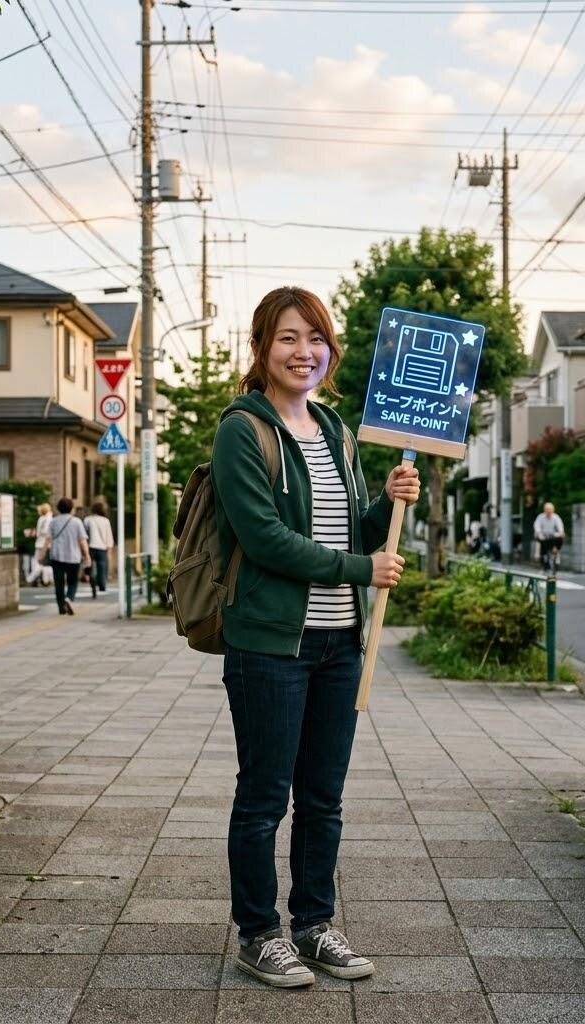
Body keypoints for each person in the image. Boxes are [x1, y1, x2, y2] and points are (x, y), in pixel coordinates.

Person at [210, 286, 419, 989]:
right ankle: (259, 934)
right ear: (263, 348)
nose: (305, 352)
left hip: (339, 643)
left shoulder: (334, 429)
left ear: (330, 350)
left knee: (323, 798)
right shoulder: (244, 428)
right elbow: (264, 538)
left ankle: (315, 925)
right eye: (288, 338)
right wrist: (364, 565)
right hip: (271, 645)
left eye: (316, 339)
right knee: (265, 796)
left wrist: (386, 504)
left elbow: (348, 529)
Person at [41, 497, 90, 615]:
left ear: (58, 508)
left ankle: (61, 607)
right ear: (72, 508)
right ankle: (69, 598)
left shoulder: (53, 521)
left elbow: (47, 540)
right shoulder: (77, 522)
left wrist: (42, 554)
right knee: (73, 581)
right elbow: (83, 541)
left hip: (57, 556)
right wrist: (87, 555)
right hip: (73, 557)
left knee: (59, 583)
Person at [83, 499, 115, 598]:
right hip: (102, 547)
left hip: (90, 547)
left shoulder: (87, 519)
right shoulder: (106, 521)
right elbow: (109, 536)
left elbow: (84, 534)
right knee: (102, 566)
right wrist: (109, 549)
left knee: (89, 565)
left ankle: (91, 581)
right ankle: (102, 584)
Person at [24, 502, 53, 586]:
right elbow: (46, 532)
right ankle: (34, 579)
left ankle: (41, 579)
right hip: (46, 544)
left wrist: (33, 532)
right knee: (42, 563)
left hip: (39, 543)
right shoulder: (49, 519)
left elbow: (39, 531)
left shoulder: (41, 518)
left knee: (38, 563)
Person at [533, 501, 565, 570]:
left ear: (553, 510)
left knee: (560, 539)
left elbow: (560, 528)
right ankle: (538, 554)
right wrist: (539, 533)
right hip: (543, 536)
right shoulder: (540, 517)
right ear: (544, 510)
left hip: (553, 536)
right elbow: (537, 526)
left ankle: (557, 554)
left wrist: (560, 533)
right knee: (538, 538)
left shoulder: (556, 517)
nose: (549, 511)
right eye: (547, 510)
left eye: (550, 510)